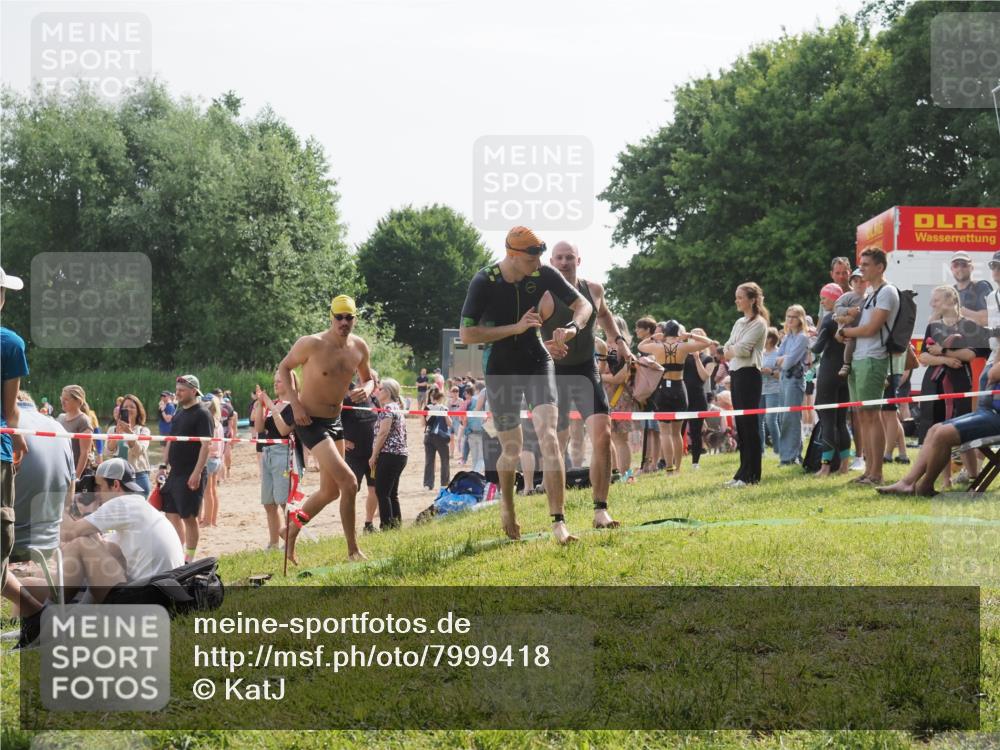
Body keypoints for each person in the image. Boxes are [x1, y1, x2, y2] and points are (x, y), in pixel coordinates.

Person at [459, 226, 593, 543]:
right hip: (500, 366)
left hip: (536, 359)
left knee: (548, 435)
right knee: (512, 448)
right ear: (513, 255)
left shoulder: (542, 273)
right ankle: (507, 506)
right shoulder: (485, 281)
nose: (539, 264)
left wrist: (572, 329)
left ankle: (559, 522)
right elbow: (467, 334)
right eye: (532, 259)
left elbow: (583, 305)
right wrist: (515, 328)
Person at [540, 241, 633, 526]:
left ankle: (600, 510)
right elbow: (525, 332)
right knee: (556, 443)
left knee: (603, 435)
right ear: (551, 262)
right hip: (553, 372)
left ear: (578, 260)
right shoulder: (543, 294)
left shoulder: (593, 289)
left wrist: (619, 340)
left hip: (585, 369)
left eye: (569, 257)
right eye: (559, 258)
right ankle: (558, 518)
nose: (564, 262)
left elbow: (603, 315)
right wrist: (544, 347)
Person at [278, 294, 374, 564]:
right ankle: (353, 551)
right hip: (309, 421)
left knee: (330, 492)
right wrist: (295, 404)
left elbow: (369, 378)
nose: (343, 322)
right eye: (339, 317)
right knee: (350, 482)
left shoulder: (359, 347)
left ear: (355, 319)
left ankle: (291, 530)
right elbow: (284, 368)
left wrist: (366, 389)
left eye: (348, 318)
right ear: (331, 317)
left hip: (335, 421)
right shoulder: (312, 343)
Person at [19, 458, 184, 608]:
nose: (96, 493)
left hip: (142, 598)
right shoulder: (138, 507)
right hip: (159, 596)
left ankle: (50, 612)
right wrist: (85, 513)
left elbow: (69, 533)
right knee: (34, 579)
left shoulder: (123, 504)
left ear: (116, 485)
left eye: (99, 486)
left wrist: (60, 502)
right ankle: (65, 611)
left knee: (81, 544)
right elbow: (100, 548)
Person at [877, 359, 1000, 497]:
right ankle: (907, 483)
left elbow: (993, 374)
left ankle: (925, 486)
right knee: (934, 429)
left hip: (995, 415)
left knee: (942, 434)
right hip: (989, 412)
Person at [841, 248, 899, 486]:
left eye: (866, 264)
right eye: (861, 264)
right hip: (859, 359)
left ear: (880, 267)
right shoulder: (872, 293)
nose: (861, 268)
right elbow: (863, 329)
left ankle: (877, 473)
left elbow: (871, 329)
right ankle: (868, 471)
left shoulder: (887, 292)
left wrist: (845, 332)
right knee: (863, 416)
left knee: (872, 416)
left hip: (874, 359)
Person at [918, 285, 978, 488]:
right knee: (939, 430)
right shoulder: (933, 326)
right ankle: (946, 480)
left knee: (964, 430)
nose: (932, 304)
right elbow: (923, 357)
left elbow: (970, 354)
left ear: (951, 300)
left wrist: (943, 351)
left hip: (960, 384)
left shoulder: (968, 325)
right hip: (935, 385)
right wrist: (945, 360)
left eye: (936, 300)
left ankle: (974, 476)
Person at [639, 321, 715, 474]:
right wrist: (690, 335)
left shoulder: (657, 347)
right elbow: (708, 342)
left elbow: (640, 346)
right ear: (678, 332)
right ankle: (678, 469)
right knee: (676, 433)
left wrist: (653, 337)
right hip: (679, 388)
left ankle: (669, 469)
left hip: (662, 390)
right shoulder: (683, 346)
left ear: (665, 333)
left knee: (665, 433)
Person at [10, 391, 75, 559]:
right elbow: (70, 496)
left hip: (9, 543)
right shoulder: (58, 427)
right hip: (49, 542)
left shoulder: (6, 424)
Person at [156, 375, 213, 563]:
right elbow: (170, 441)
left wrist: (197, 473)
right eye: (177, 390)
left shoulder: (203, 413)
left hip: (191, 472)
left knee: (189, 517)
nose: (177, 393)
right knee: (171, 514)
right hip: (175, 473)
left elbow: (206, 446)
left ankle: (189, 558)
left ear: (194, 391)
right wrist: (163, 465)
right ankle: (178, 554)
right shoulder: (179, 413)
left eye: (181, 390)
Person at [1, 267, 29, 612]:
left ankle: (38, 613)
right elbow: (10, 411)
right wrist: (19, 439)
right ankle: (39, 613)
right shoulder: (10, 343)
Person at [722, 282, 769, 487]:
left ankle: (752, 474)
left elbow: (743, 350)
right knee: (741, 425)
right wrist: (733, 349)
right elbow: (727, 348)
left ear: (752, 300)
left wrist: (733, 349)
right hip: (736, 374)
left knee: (750, 425)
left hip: (750, 374)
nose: (737, 301)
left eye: (740, 297)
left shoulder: (759, 323)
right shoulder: (739, 322)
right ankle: (742, 472)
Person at [253, 371, 301, 549]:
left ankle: (289, 541)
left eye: (279, 381)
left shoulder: (294, 406)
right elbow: (259, 428)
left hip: (284, 453)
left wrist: (270, 406)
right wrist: (260, 405)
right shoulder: (275, 404)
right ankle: (273, 543)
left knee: (284, 501)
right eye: (275, 381)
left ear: (290, 383)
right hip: (268, 452)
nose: (275, 384)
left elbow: (283, 430)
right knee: (268, 503)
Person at [812, 283, 853, 476]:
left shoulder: (830, 319)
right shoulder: (850, 319)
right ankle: (844, 465)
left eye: (824, 298)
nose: (822, 302)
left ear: (835, 299)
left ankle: (825, 466)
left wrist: (810, 341)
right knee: (841, 422)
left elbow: (817, 348)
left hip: (829, 373)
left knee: (827, 420)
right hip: (845, 372)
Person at [340, 371, 380, 535]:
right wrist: (343, 440)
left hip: (373, 455)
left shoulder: (375, 400)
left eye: (377, 381)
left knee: (374, 489)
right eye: (374, 380)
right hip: (354, 455)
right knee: (351, 491)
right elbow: (334, 421)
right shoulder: (348, 399)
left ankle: (368, 524)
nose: (377, 383)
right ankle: (350, 528)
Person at [370, 378, 408, 530]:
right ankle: (395, 526)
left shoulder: (388, 409)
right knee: (391, 493)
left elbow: (383, 433)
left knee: (382, 492)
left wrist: (374, 455)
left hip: (389, 454)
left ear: (388, 392)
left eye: (380, 389)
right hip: (399, 455)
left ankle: (386, 527)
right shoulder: (396, 407)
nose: (377, 392)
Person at [775, 305, 810, 466]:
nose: (789, 320)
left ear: (800, 319)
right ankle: (790, 455)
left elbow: (788, 363)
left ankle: (790, 457)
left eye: (793, 317)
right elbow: (776, 358)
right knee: (784, 418)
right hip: (783, 379)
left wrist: (784, 359)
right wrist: (783, 359)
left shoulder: (802, 337)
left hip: (795, 380)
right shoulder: (787, 337)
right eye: (788, 316)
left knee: (791, 418)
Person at [106, 394, 152, 496]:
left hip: (138, 475)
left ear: (138, 411)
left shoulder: (144, 430)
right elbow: (108, 452)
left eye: (132, 407)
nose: (128, 409)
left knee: (138, 505)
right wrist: (117, 435)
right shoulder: (112, 429)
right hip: (117, 475)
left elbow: (138, 452)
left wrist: (129, 432)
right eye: (125, 407)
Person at [57, 385, 94, 480]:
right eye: (61, 398)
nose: (62, 402)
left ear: (78, 401)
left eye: (66, 399)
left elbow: (84, 453)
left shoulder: (83, 421)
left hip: (74, 472)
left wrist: (76, 478)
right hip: (60, 469)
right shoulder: (60, 418)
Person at [199, 395, 225, 528]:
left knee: (207, 492)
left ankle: (208, 521)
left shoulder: (209, 423)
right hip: (217, 459)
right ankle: (213, 519)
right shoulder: (218, 423)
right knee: (213, 491)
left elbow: (208, 444)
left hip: (209, 459)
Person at [758, 327, 782, 457]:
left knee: (771, 420)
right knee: (758, 420)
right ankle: (761, 451)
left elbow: (782, 375)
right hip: (760, 390)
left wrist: (770, 372)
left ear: (771, 339)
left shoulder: (778, 353)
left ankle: (778, 450)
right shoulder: (760, 353)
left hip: (774, 390)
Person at [423, 386, 452, 491]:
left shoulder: (426, 408)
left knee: (429, 461)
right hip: (441, 437)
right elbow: (450, 424)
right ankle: (444, 484)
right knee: (444, 461)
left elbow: (423, 424)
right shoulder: (444, 408)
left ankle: (428, 484)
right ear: (440, 397)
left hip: (429, 436)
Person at [464, 381, 488, 475]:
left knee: (474, 458)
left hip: (470, 432)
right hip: (482, 431)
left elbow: (464, 416)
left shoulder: (470, 400)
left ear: (476, 389)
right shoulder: (486, 400)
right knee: (481, 458)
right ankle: (475, 474)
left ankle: (473, 476)